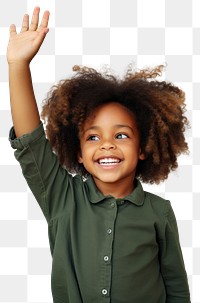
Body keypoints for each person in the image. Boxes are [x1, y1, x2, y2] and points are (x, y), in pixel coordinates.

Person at [7, 7, 191, 303]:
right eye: (93, 137)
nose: (107, 144)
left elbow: (176, 288)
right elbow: (30, 143)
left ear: (143, 148)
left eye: (121, 135)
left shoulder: (159, 212)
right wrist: (18, 66)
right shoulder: (61, 199)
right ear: (78, 152)